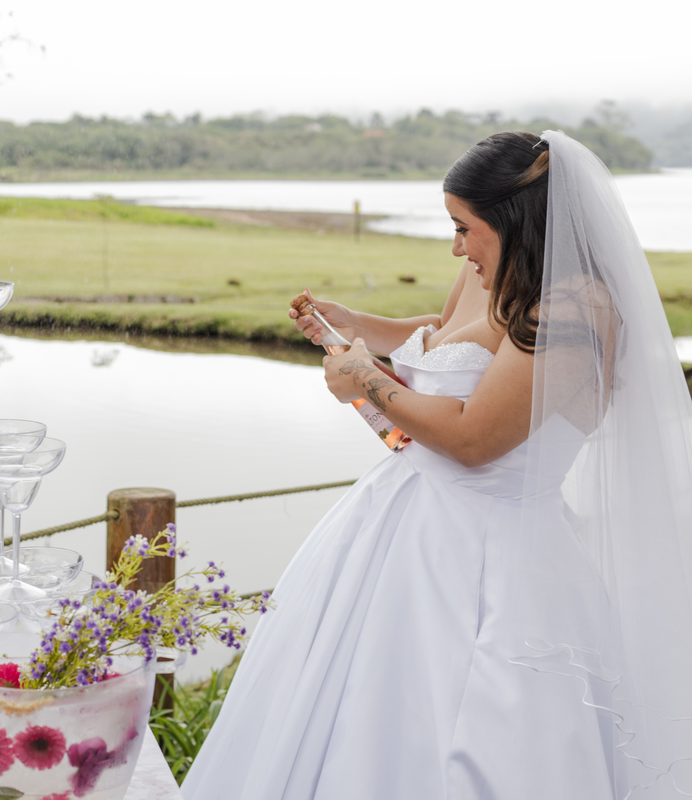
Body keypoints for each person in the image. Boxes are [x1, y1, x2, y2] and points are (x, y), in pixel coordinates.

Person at [182, 131, 692, 799]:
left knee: (468, 724)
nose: (456, 246)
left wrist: (366, 378)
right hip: (397, 529)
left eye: (464, 228)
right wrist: (356, 322)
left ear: (515, 221)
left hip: (493, 556)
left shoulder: (577, 309)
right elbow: (451, 338)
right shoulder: (499, 273)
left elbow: (473, 438)